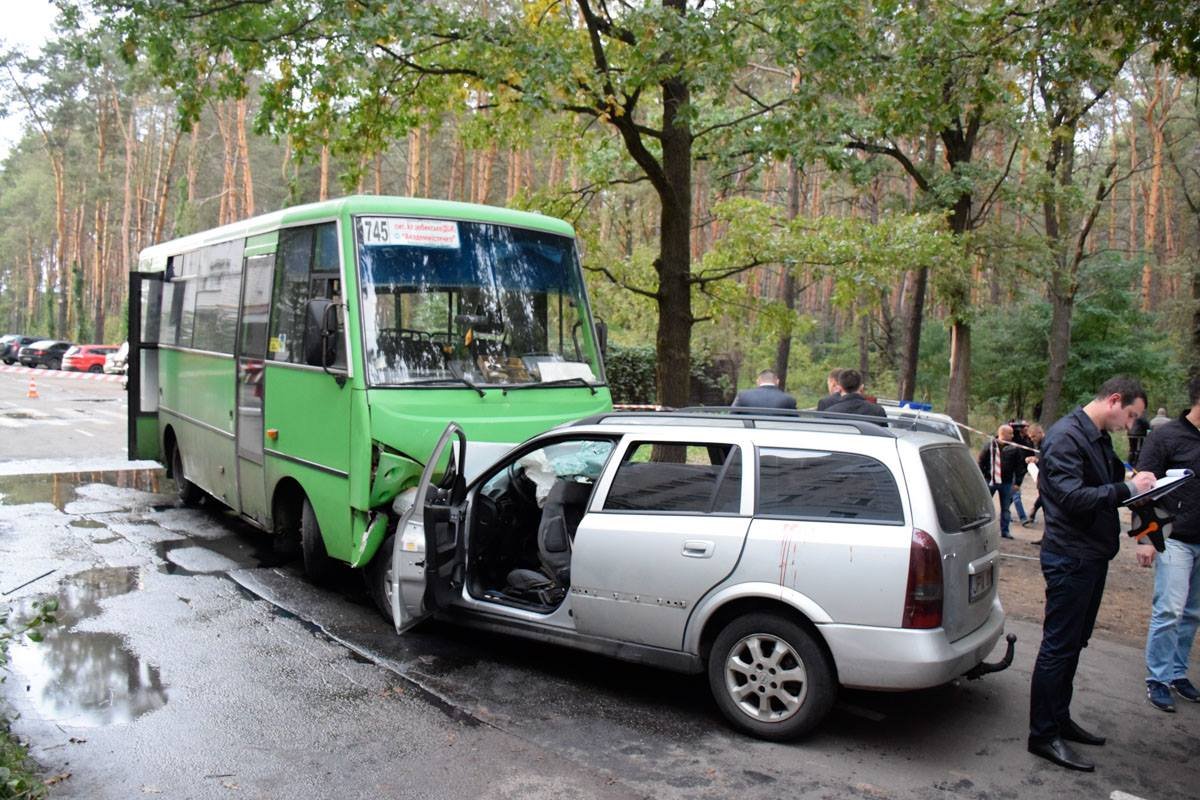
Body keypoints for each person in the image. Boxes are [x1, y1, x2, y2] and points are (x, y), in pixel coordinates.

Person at [1028, 377, 1155, 772]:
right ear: (1114, 400)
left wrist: (1144, 488)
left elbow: (1116, 482)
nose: (1130, 424)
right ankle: (1042, 734)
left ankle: (1058, 718)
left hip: (1092, 555)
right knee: (1058, 645)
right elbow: (1070, 498)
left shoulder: (1098, 437)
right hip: (1070, 557)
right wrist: (1126, 488)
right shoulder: (1067, 436)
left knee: (1073, 643)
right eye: (1130, 415)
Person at [1133, 377, 1200, 713]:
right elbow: (1143, 490)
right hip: (1173, 538)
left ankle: (1177, 673)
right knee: (1170, 610)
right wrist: (1145, 537)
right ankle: (1157, 679)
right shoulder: (1166, 436)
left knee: (1192, 613)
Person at [977, 425, 1022, 539]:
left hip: (1006, 482)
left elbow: (1019, 467)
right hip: (990, 480)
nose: (1012, 436)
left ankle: (1005, 531)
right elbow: (980, 463)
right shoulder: (990, 446)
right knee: (984, 506)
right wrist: (982, 478)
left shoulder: (1014, 448)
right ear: (1003, 434)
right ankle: (981, 529)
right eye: (1010, 433)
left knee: (1006, 508)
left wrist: (1017, 482)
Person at [731, 369, 797, 411]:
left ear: (758, 381)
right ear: (777, 382)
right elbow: (796, 424)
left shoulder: (743, 396)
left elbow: (731, 419)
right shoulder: (789, 400)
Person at [1022, 423, 1046, 529]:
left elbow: (1051, 460)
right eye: (1030, 437)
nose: (1032, 439)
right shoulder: (1039, 444)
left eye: (1033, 436)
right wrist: (1034, 460)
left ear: (1040, 433)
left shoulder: (1048, 443)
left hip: (1049, 479)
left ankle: (1033, 511)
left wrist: (1037, 460)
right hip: (1043, 478)